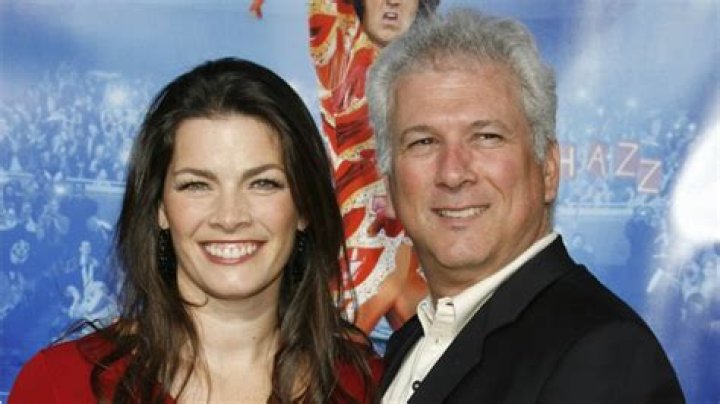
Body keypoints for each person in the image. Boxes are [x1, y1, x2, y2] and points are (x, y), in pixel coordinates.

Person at [10, 58, 381, 403]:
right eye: (197, 185)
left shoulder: (371, 389)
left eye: (263, 183)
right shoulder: (60, 385)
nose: (230, 217)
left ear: (304, 208)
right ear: (160, 208)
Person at [366, 9, 685, 403]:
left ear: (548, 169)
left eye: (486, 137)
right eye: (423, 142)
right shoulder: (410, 342)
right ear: (390, 185)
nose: (453, 173)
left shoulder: (605, 354)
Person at [307, 0, 438, 337]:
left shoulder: (433, 71)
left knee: (448, 361)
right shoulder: (341, 50)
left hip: (418, 243)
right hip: (360, 240)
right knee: (332, 360)